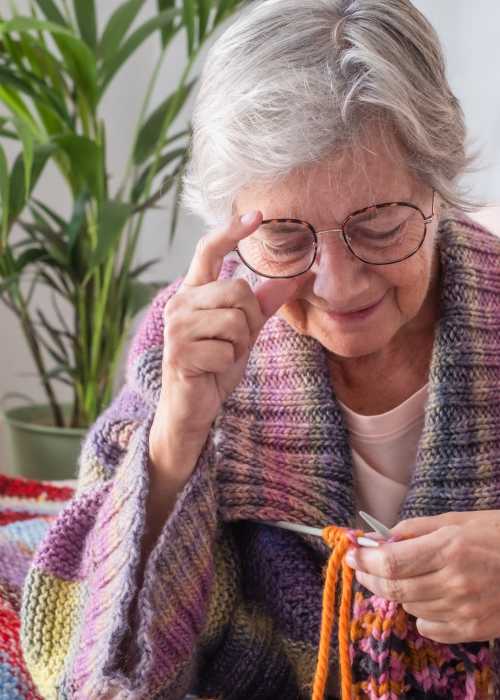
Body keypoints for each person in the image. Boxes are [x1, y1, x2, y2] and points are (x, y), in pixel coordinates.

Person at [20, 0, 500, 698]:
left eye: (379, 225)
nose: (337, 284)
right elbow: (93, 666)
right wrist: (177, 436)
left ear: (437, 188)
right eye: (284, 237)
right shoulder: (192, 338)